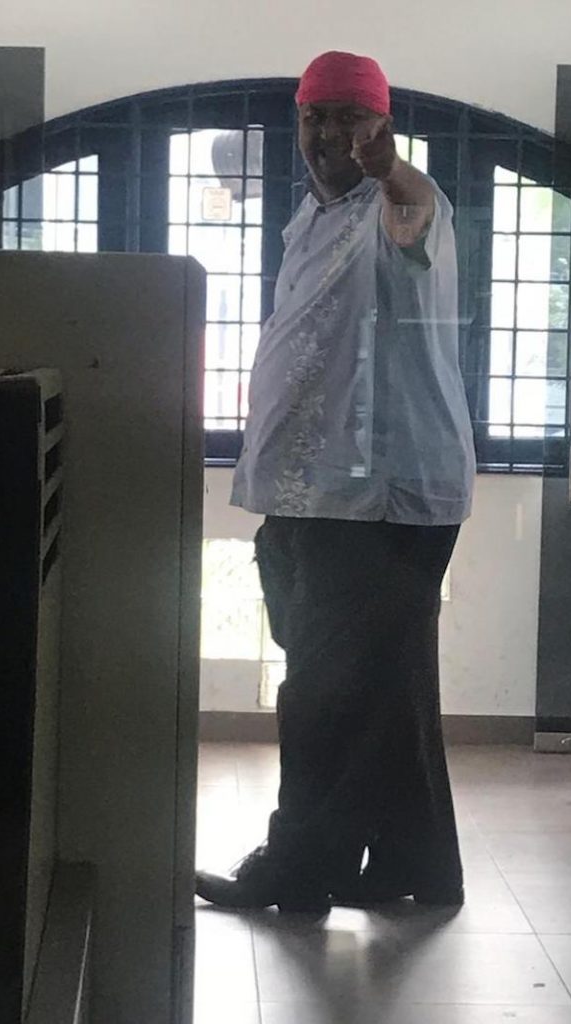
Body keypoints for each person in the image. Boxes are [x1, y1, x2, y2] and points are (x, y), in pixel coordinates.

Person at [196, 50, 475, 914]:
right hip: (311, 492)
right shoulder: (307, 219)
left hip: (375, 499)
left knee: (323, 695)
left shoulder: (400, 206)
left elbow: (410, 205)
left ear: (382, 125)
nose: (329, 135)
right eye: (315, 116)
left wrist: (391, 168)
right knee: (386, 689)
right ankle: (416, 867)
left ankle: (298, 870)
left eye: (351, 117)